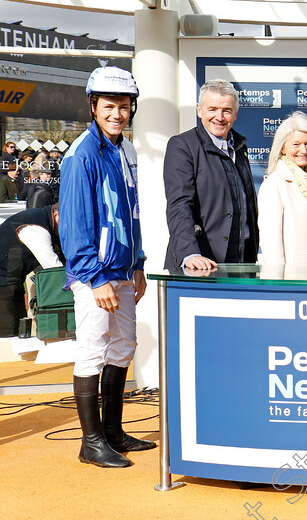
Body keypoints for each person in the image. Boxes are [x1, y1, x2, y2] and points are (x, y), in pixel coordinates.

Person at [59, 66, 154, 468]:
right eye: (109, 106)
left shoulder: (124, 149)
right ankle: (91, 441)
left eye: (124, 106)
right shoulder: (81, 154)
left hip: (124, 271)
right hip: (94, 275)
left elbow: (131, 215)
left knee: (123, 347)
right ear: (93, 106)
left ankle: (113, 432)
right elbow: (75, 223)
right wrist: (94, 277)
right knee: (92, 352)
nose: (117, 113)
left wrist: (139, 263)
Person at [164, 79, 259, 271]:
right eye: (212, 109)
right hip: (200, 265)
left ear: (235, 114)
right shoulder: (183, 146)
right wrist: (190, 254)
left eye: (226, 110)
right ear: (199, 110)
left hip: (240, 262)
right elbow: (179, 205)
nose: (219, 117)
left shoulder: (240, 149)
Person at [258, 111, 307, 265]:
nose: (303, 150)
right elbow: (271, 242)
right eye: (296, 144)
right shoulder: (274, 184)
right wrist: (277, 284)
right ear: (282, 148)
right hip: (294, 277)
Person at [0, 204, 62, 336]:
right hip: (4, 284)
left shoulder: (43, 221)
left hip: (12, 282)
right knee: (8, 336)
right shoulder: (36, 227)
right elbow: (53, 267)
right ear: (56, 214)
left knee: (18, 332)